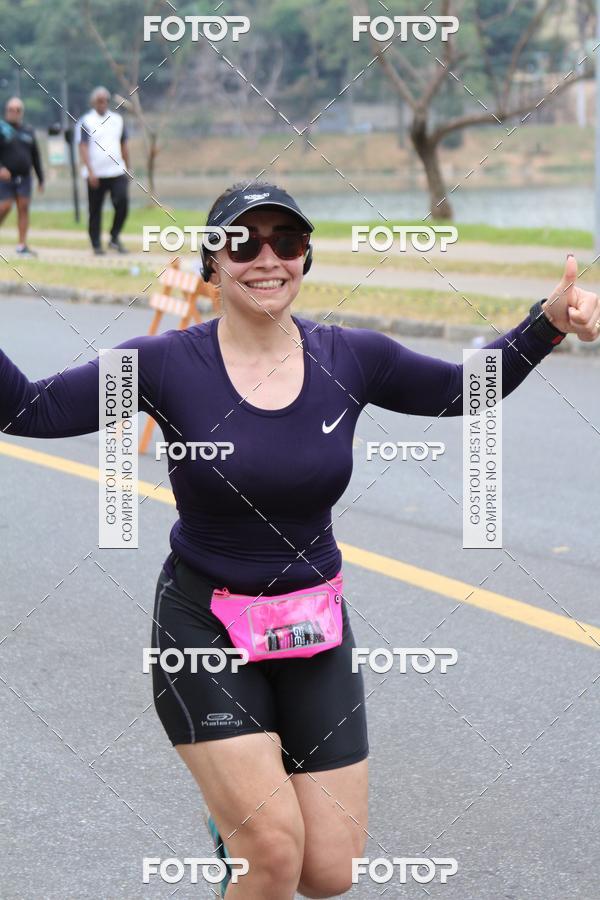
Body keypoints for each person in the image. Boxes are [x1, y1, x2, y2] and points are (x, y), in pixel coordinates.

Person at [1, 181, 599, 899]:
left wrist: (548, 322)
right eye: (244, 242)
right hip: (205, 626)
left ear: (305, 258)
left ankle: (237, 814)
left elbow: (461, 391)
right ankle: (247, 822)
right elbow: (28, 410)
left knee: (330, 872)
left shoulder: (350, 358)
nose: (267, 258)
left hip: (314, 627)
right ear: (212, 264)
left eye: (286, 241)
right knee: (276, 857)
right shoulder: (162, 365)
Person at [77, 86, 130, 256]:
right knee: (95, 210)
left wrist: (128, 167)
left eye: (105, 100)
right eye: (99, 100)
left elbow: (124, 144)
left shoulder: (117, 120)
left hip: (116, 170)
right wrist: (90, 171)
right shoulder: (86, 121)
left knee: (122, 203)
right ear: (94, 102)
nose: (103, 103)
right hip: (96, 174)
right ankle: (96, 244)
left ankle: (114, 236)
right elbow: (83, 146)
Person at [0, 96, 44, 257]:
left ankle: (21, 245)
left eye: (17, 110)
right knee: (4, 207)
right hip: (5, 178)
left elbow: (36, 156)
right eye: (11, 109)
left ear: (21, 112)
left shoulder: (28, 131)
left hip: (25, 177)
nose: (14, 112)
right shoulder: (1, 129)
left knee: (23, 208)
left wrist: (41, 178)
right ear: (6, 111)